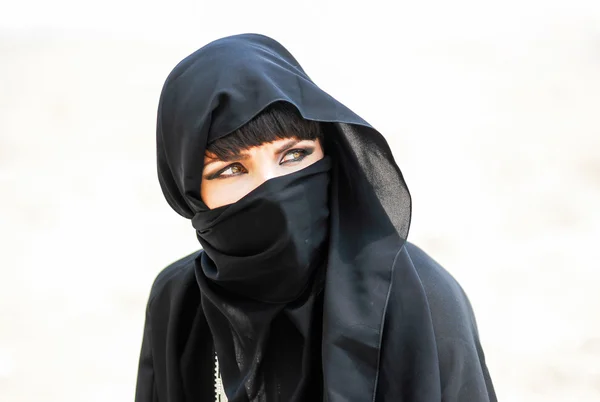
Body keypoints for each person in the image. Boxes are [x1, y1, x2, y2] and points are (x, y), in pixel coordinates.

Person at [135, 34, 497, 402]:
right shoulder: (178, 302)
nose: (271, 188)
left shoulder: (420, 296)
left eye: (293, 155)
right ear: (190, 194)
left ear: (328, 151)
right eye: (230, 169)